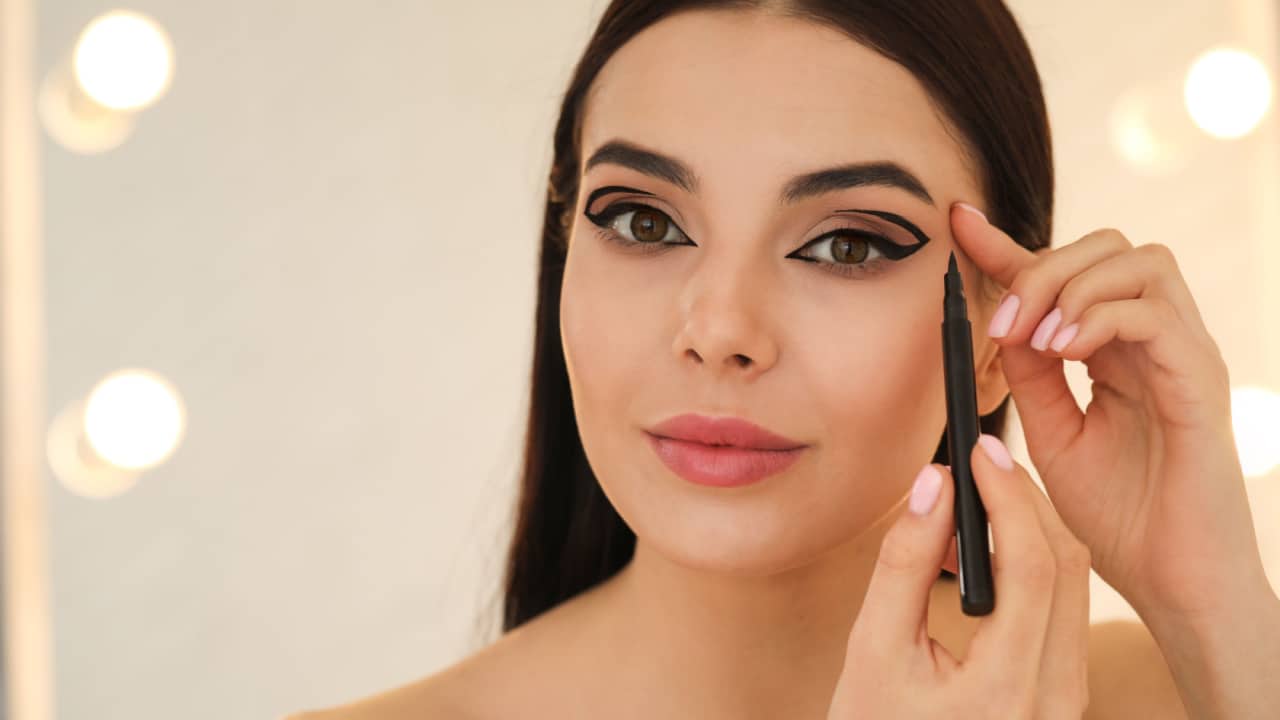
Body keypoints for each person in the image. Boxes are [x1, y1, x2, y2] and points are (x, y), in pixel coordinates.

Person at [289, 2, 1280, 718]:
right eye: (640, 220)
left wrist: (1211, 605)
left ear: (994, 336)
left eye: (846, 243)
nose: (718, 327)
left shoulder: (1173, 697)